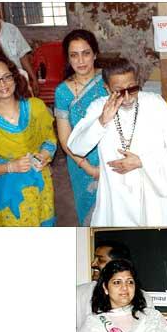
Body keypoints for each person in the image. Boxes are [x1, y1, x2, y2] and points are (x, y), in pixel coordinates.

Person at [67, 58, 167, 227]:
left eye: (132, 89)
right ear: (107, 88)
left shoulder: (155, 104)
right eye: (118, 91)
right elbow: (76, 147)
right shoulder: (98, 107)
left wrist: (142, 161)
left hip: (152, 192)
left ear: (137, 83)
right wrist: (102, 121)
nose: (126, 97)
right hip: (116, 196)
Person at [0, 55, 57, 226]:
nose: (3, 84)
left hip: (40, 183)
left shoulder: (35, 107)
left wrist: (44, 155)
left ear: (15, 77)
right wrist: (10, 167)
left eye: (7, 77)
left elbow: (50, 139)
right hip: (9, 192)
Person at [55, 29, 108, 226]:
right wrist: (89, 168)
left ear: (95, 54)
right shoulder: (62, 91)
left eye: (86, 53)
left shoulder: (109, 81)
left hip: (112, 159)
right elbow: (65, 139)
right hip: (81, 164)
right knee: (90, 216)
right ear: (68, 59)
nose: (81, 60)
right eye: (74, 55)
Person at [77, 239, 153, 330]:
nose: (93, 264)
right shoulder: (78, 293)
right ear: (105, 289)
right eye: (117, 283)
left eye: (100, 260)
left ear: (117, 263)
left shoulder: (143, 298)